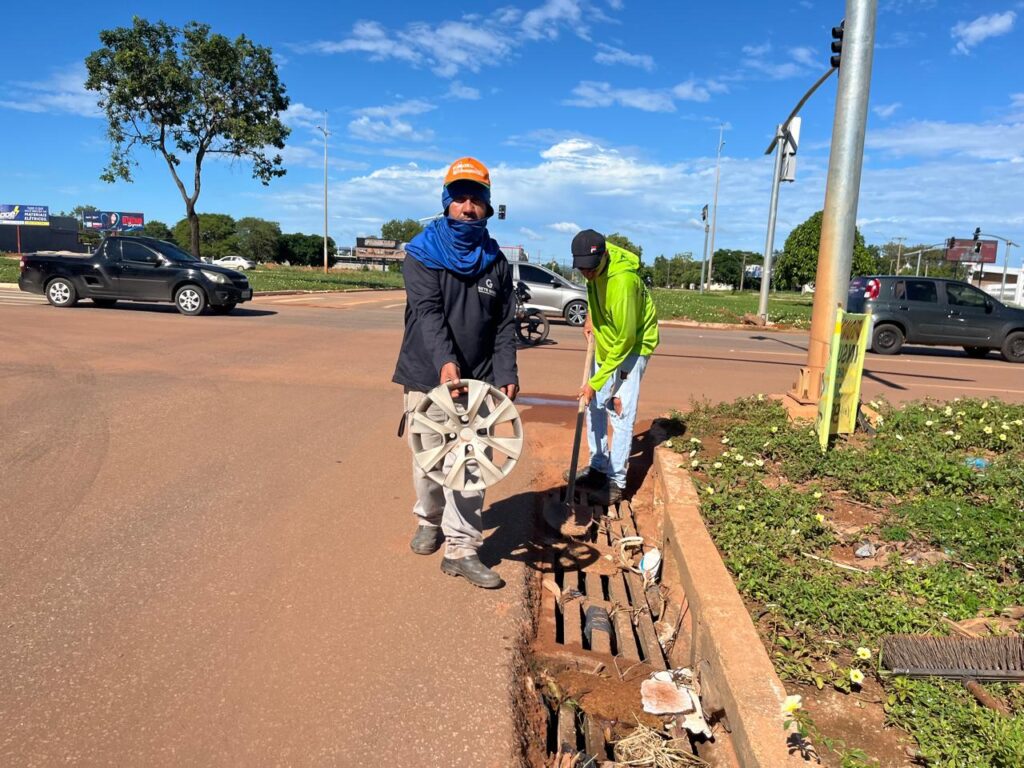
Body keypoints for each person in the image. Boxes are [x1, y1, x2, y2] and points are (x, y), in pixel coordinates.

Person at [392, 157, 519, 589]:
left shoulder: (495, 261)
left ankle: (462, 549)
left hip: (478, 381)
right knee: (428, 464)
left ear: (487, 206)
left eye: (476, 199)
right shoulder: (422, 253)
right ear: (446, 203)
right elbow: (428, 314)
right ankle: (429, 519)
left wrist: (507, 370)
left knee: (469, 465)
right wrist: (446, 362)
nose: (468, 207)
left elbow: (504, 322)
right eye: (460, 198)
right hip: (427, 373)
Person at [567, 229, 659, 505]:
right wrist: (591, 319)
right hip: (606, 340)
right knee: (594, 407)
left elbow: (626, 338)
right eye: (582, 269)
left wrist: (595, 382)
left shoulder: (623, 282)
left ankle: (616, 482)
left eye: (591, 269)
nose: (587, 275)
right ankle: (598, 466)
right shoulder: (592, 270)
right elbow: (594, 293)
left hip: (631, 348)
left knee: (619, 412)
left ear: (604, 257)